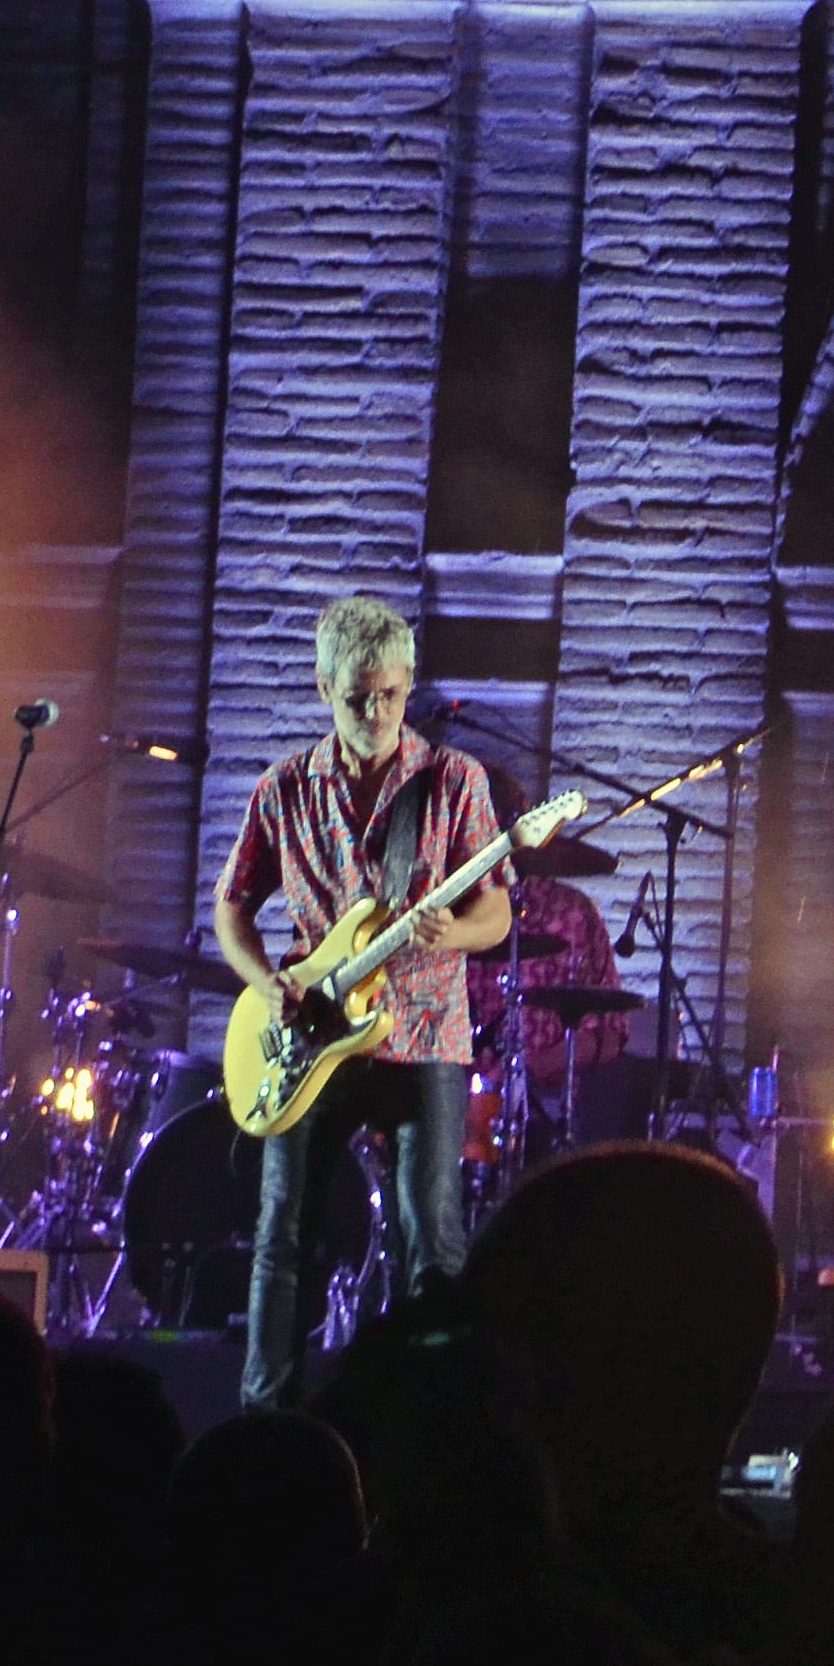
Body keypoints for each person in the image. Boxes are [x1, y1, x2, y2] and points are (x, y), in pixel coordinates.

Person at [212, 593, 511, 1409]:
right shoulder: (283, 790)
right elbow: (231, 905)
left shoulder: (455, 782)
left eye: (389, 693)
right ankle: (265, 1418)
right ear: (322, 688)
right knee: (283, 1233)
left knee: (432, 1237)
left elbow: (498, 909)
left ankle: (426, 1425)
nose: (376, 710)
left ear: (410, 682)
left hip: (422, 1033)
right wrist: (264, 978)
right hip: (311, 1038)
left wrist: (450, 933)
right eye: (357, 696)